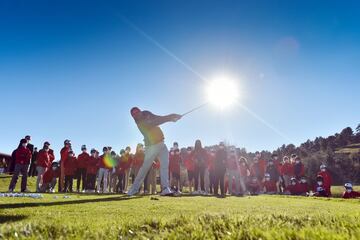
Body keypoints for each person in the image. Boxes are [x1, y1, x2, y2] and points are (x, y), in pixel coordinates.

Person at [127, 107, 181, 196]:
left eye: (138, 113)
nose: (137, 115)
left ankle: (165, 188)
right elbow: (155, 122)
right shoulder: (140, 123)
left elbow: (157, 117)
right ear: (134, 117)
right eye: (135, 115)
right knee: (144, 168)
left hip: (161, 143)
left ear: (140, 111)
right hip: (151, 147)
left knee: (164, 166)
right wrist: (170, 117)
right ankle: (133, 189)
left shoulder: (146, 113)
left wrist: (171, 118)